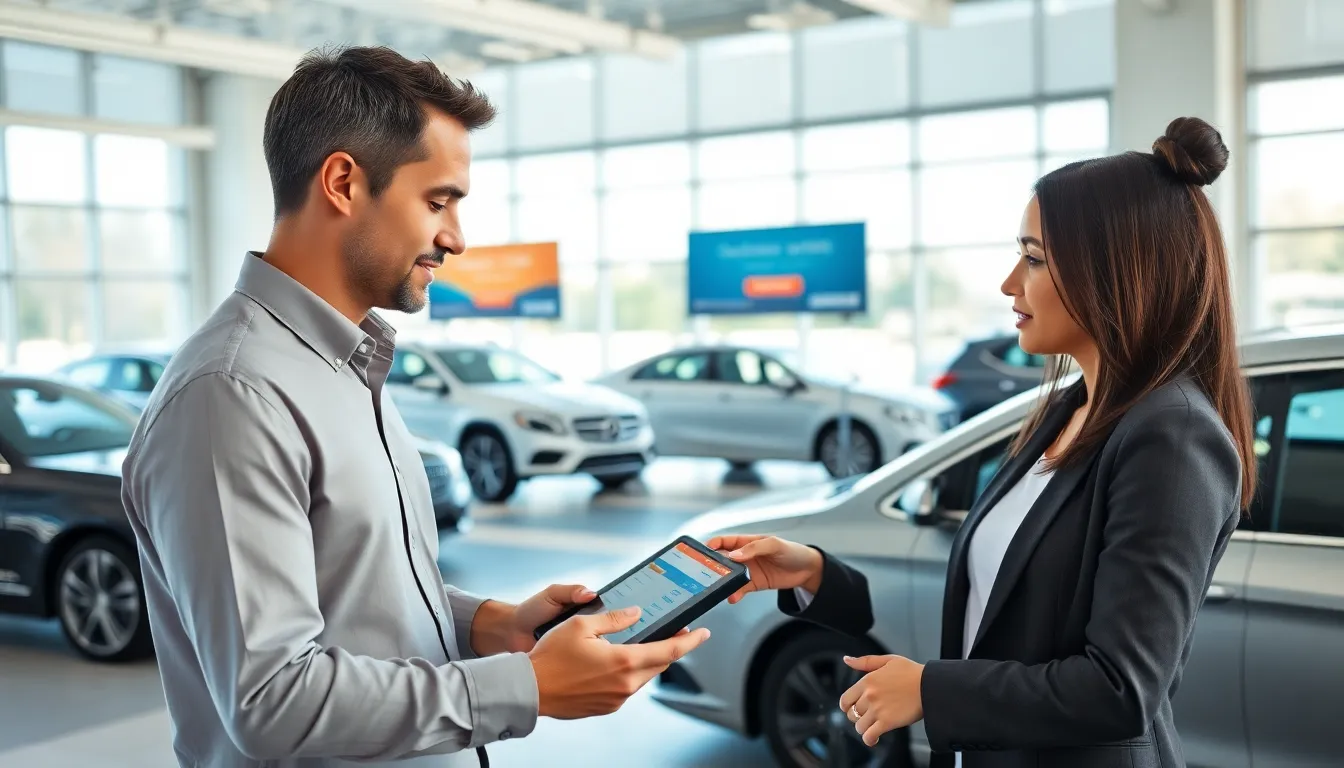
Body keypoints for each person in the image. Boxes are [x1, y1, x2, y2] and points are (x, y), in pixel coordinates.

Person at [120, 45, 709, 768]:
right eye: (438, 201)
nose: (455, 238)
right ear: (343, 182)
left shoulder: (345, 364)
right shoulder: (230, 396)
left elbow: (362, 591)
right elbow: (271, 701)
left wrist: (495, 626)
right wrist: (524, 686)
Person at [710, 116, 1255, 768]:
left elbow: (1120, 688)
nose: (1008, 284)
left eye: (1033, 258)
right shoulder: (1067, 410)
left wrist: (929, 690)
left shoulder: (1172, 437)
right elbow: (994, 610)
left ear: (1113, 270)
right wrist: (817, 574)